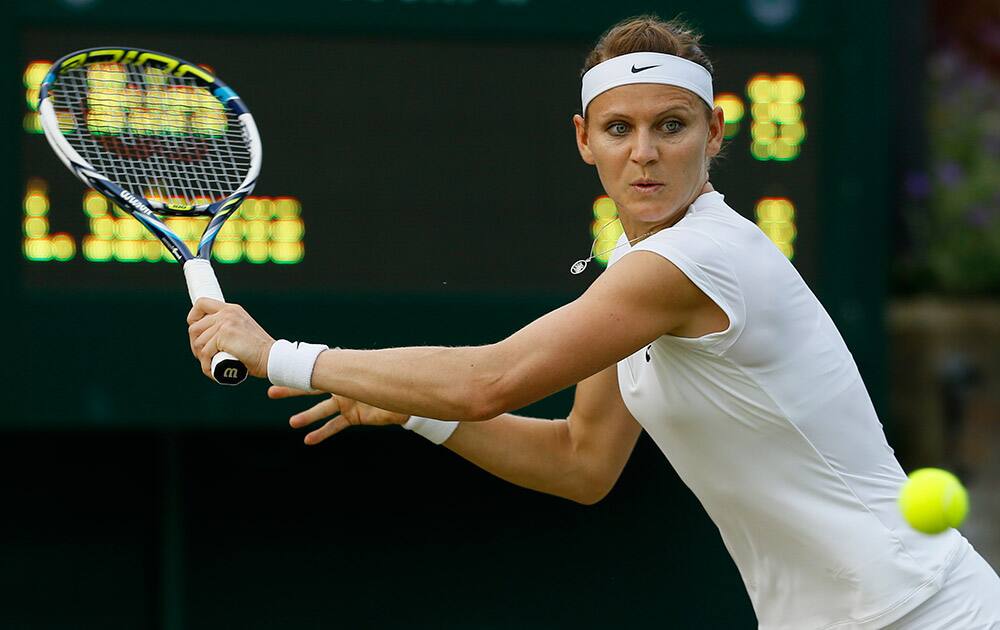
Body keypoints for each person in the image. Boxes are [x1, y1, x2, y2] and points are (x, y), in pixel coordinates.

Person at [187, 15, 1000, 629]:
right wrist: (420, 416)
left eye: (670, 126)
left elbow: (489, 380)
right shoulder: (633, 273)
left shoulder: (700, 261)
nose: (644, 152)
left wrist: (278, 354)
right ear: (586, 142)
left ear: (714, 133)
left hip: (923, 612)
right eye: (620, 129)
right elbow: (583, 461)